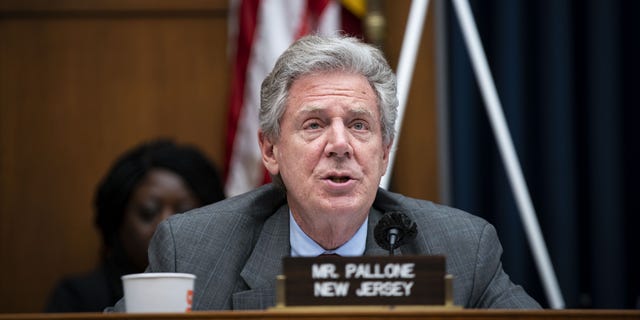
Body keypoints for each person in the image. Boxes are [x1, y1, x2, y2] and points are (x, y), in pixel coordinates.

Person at [111, 35, 541, 310]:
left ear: (385, 152)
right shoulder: (194, 251)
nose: (340, 144)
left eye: (359, 125)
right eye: (314, 124)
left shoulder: (463, 249)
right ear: (270, 150)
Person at [45, 139, 225, 312]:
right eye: (148, 212)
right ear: (118, 219)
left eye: (185, 215)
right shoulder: (78, 298)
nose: (165, 227)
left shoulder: (222, 291)